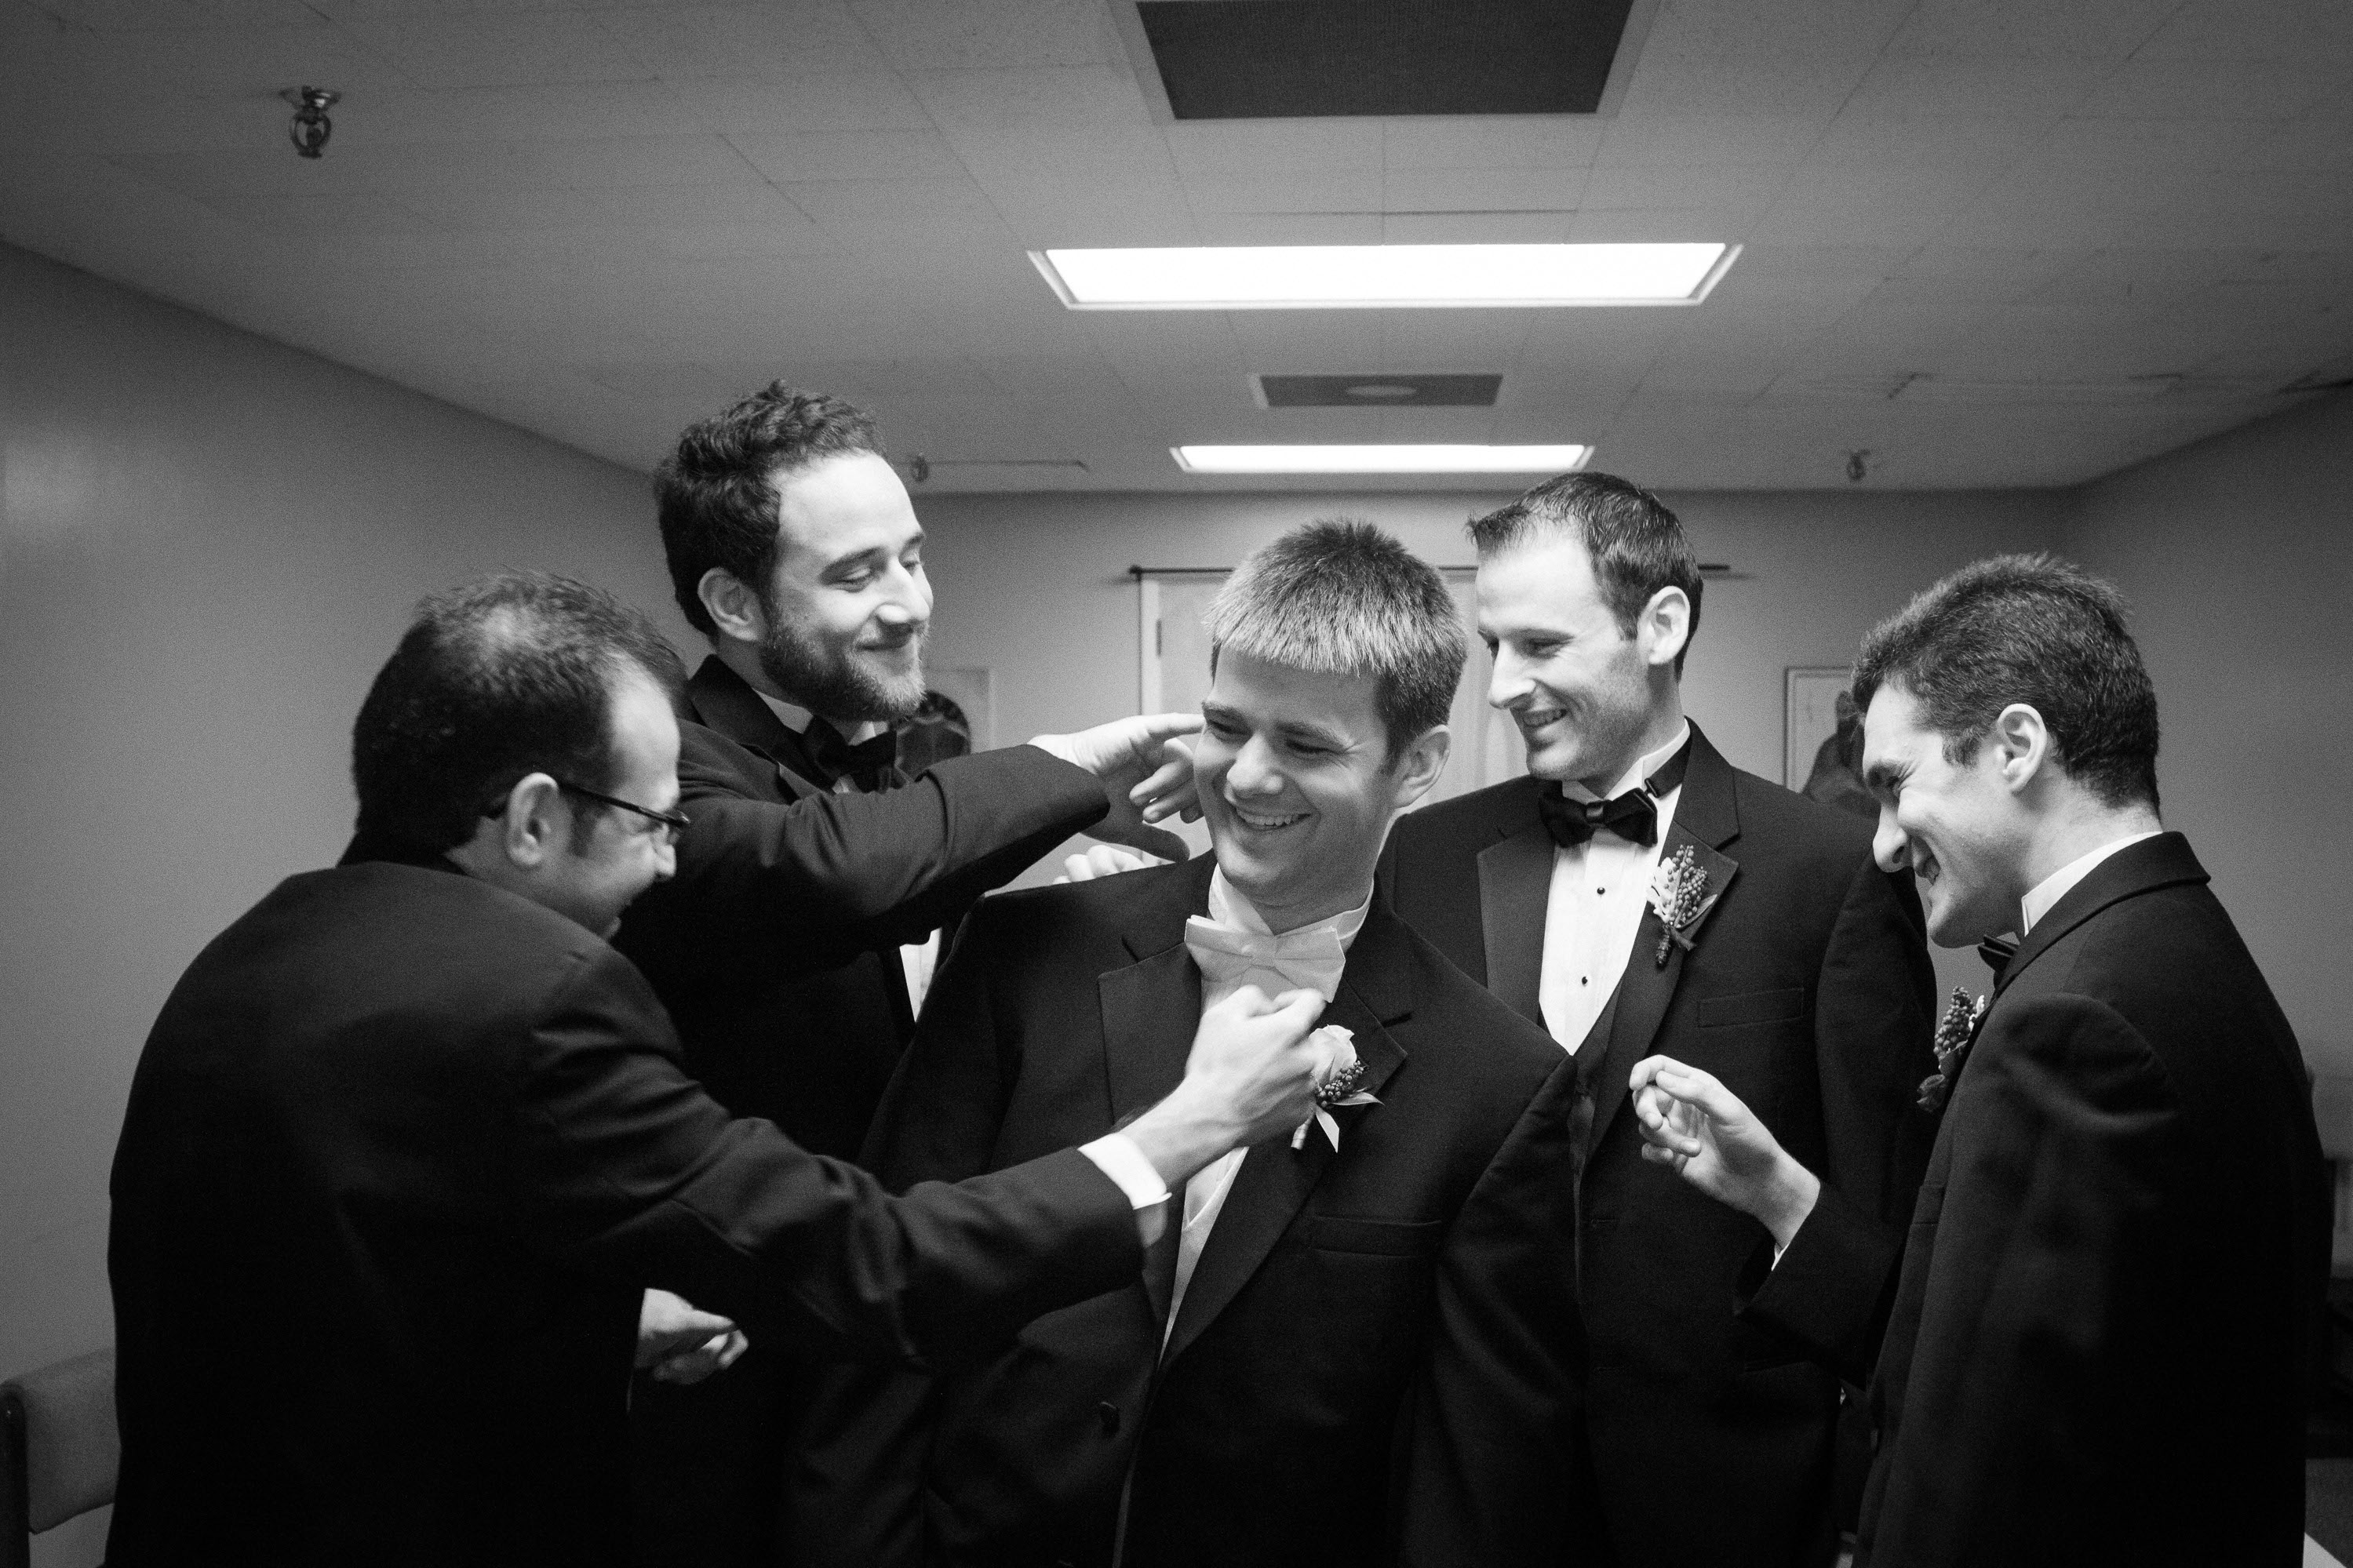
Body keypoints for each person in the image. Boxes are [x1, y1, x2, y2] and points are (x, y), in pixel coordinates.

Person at [105, 573, 1328, 1567]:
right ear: (532, 820)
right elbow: (872, 1266)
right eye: (654, 823)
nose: (669, 866)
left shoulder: (258, 948)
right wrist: (1183, 1134)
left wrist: (595, 1330)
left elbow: (348, 1301)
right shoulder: (544, 998)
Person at [796, 522, 1590, 1568]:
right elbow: (883, 1312)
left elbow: (1475, 1470)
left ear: (1420, 765)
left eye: (1307, 746)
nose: (1249, 779)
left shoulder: (1494, 1081)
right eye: (1225, 727)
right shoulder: (1027, 958)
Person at [1630, 554, 2330, 1568]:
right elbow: (1988, 1356)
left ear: (2015, 745)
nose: (1878, 845)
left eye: (1894, 786)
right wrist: (1779, 1194)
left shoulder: (2079, 1025)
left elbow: (1979, 1474)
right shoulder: (2177, 949)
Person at [611, 385, 1198, 1563]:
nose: (909, 605)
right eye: (857, 575)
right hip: (731, 1358)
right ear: (732, 602)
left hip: (890, 1342)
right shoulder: (667, 763)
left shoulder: (904, 747)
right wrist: (1072, 765)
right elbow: (823, 876)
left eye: (915, 560)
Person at [1378, 471, 1938, 1566]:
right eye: (1493, 645)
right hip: (1468, 1467)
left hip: (1723, 1475)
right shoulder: (1424, 859)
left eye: (1540, 645)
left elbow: (1877, 1217)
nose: (1500, 686)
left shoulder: (1830, 874)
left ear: (1661, 625)